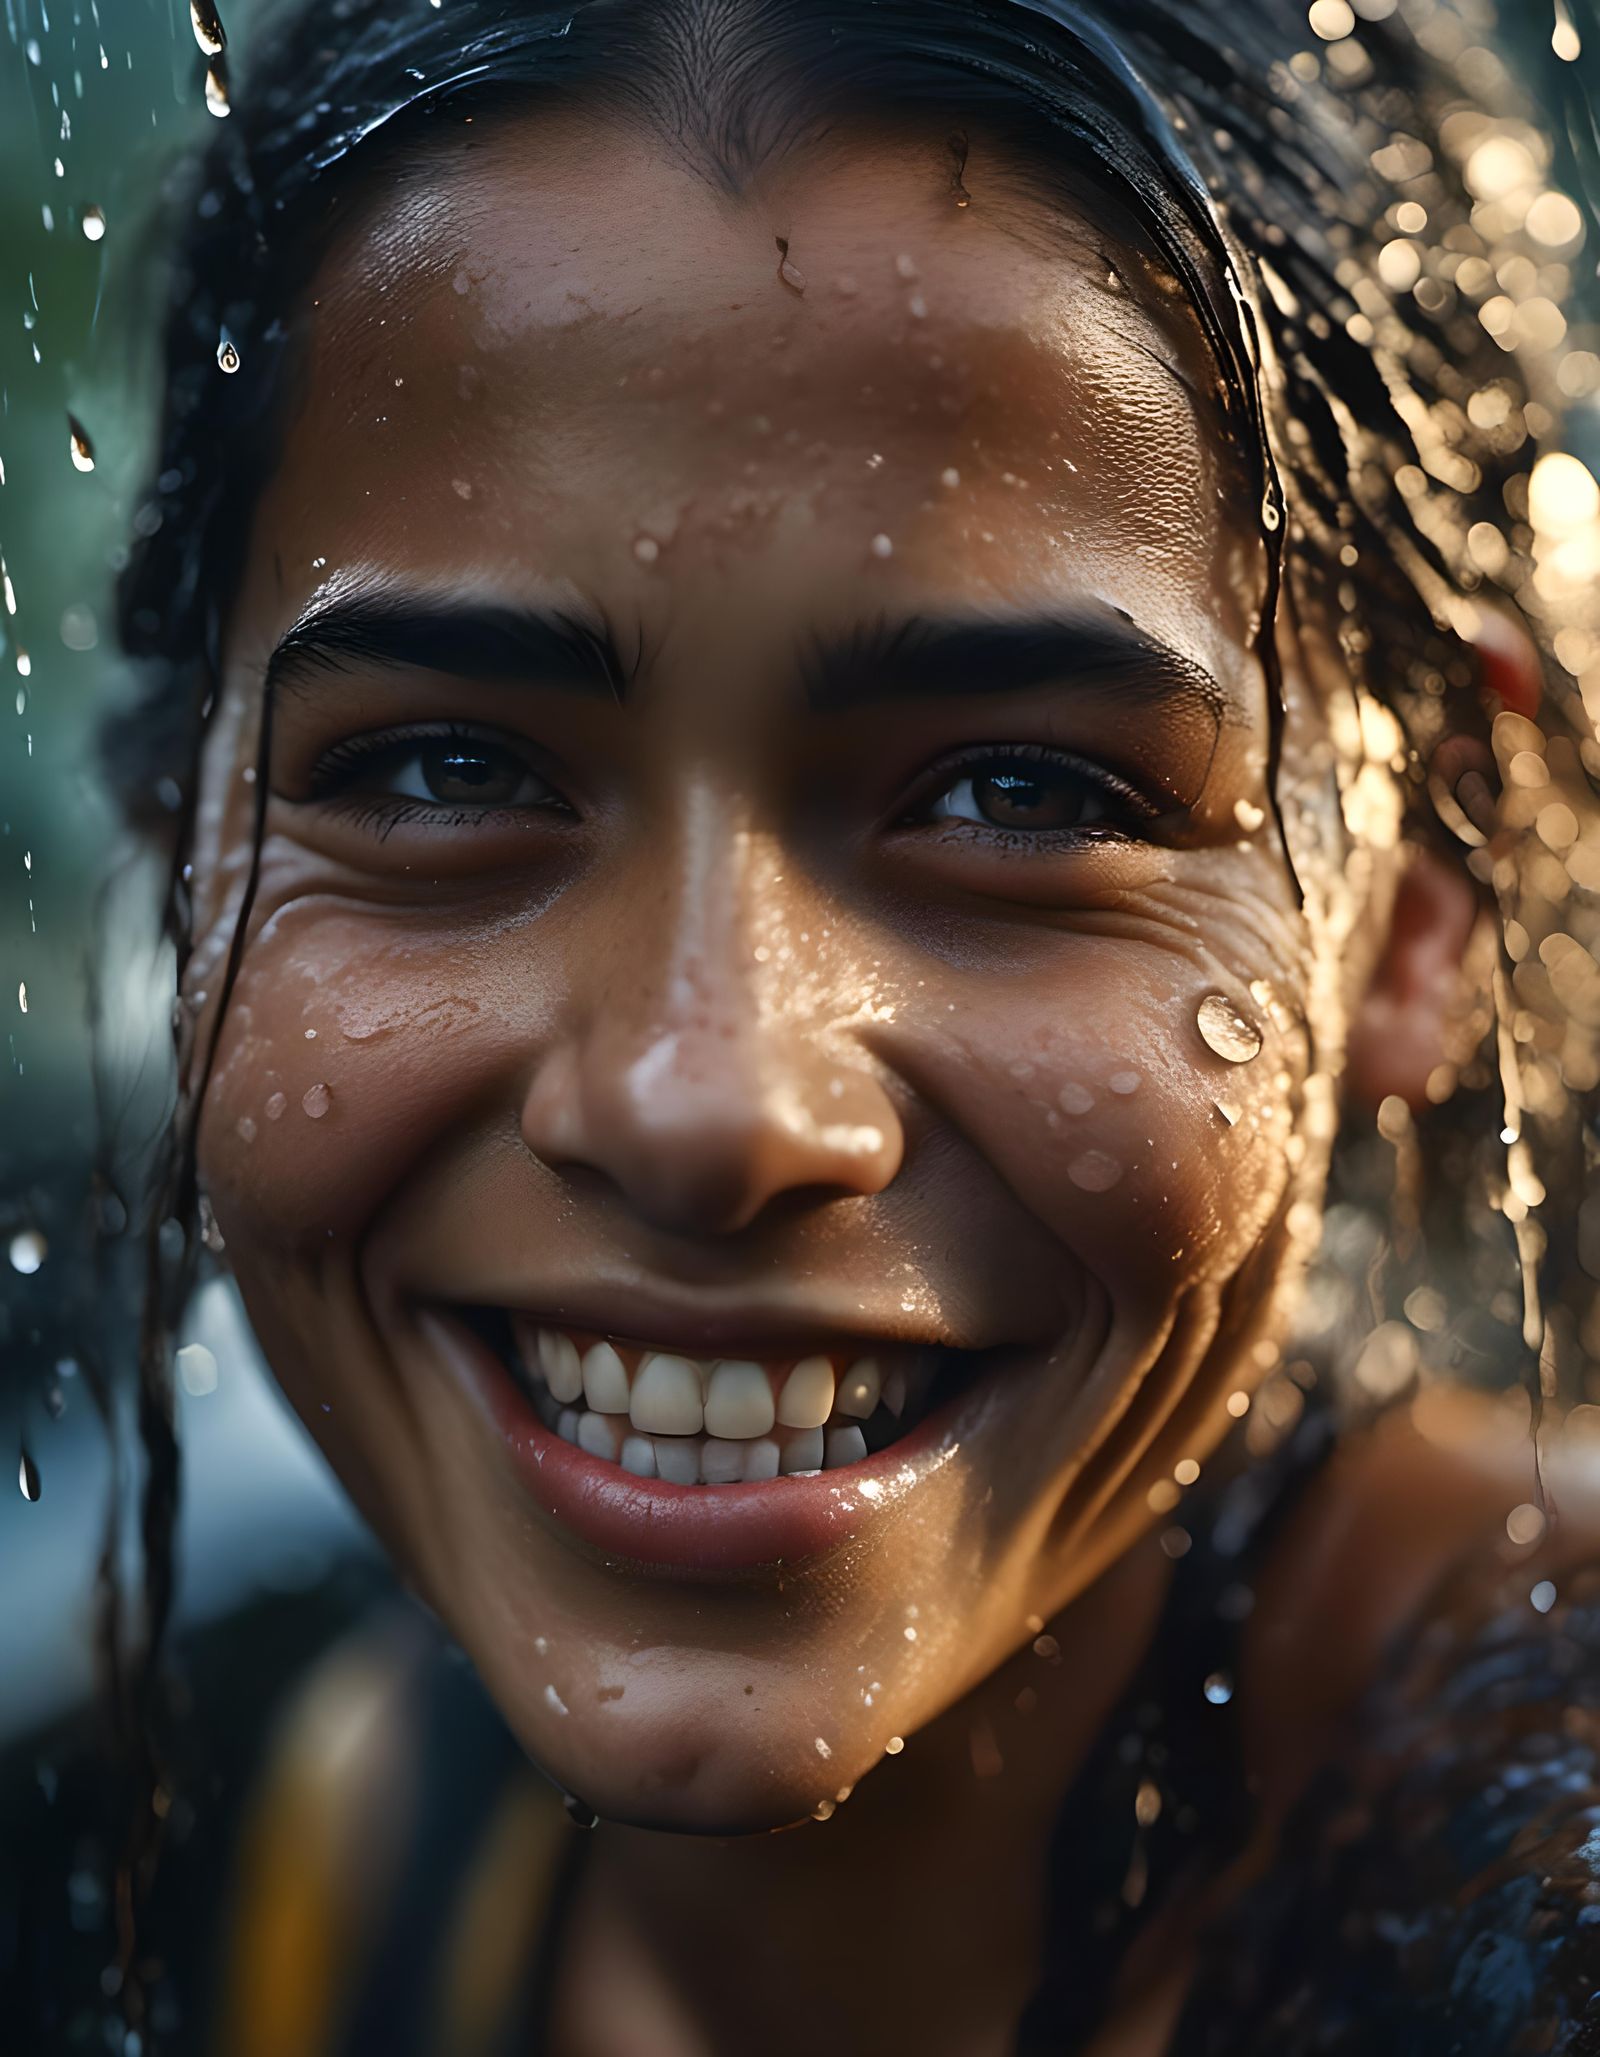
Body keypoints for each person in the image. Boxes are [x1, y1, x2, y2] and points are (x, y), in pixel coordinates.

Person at [95, 0, 1600, 2049]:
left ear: (1414, 898)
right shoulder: (356, 1847)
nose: (705, 1103)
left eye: (1025, 796)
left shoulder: (1545, 1864)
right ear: (181, 847)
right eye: (445, 773)